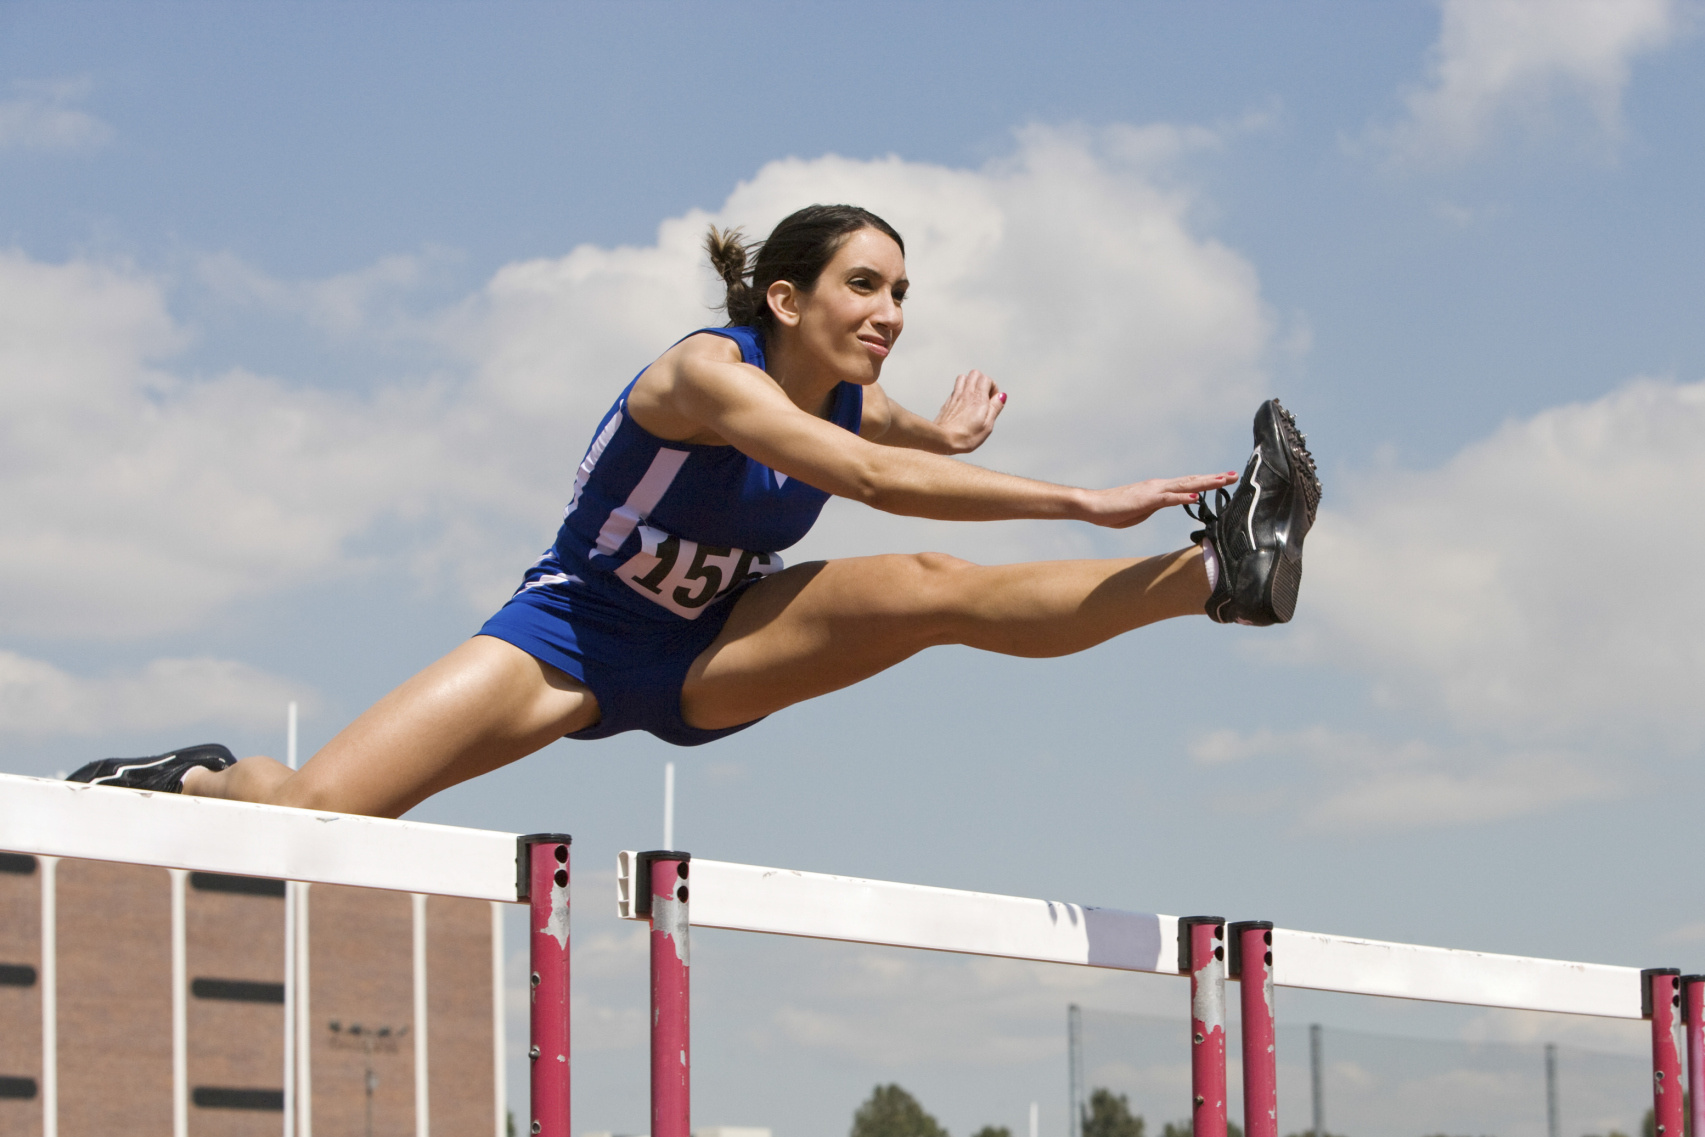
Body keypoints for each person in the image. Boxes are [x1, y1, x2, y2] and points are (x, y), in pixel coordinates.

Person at [70, 205, 1319, 820]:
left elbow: (891, 445)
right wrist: (1076, 498)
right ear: (782, 296)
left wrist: (939, 428)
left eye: (903, 292)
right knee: (313, 821)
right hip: (567, 634)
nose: (891, 313)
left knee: (930, 586)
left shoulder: (836, 390)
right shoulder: (703, 376)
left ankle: (1217, 572)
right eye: (864, 286)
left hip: (717, 638)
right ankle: (194, 778)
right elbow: (867, 473)